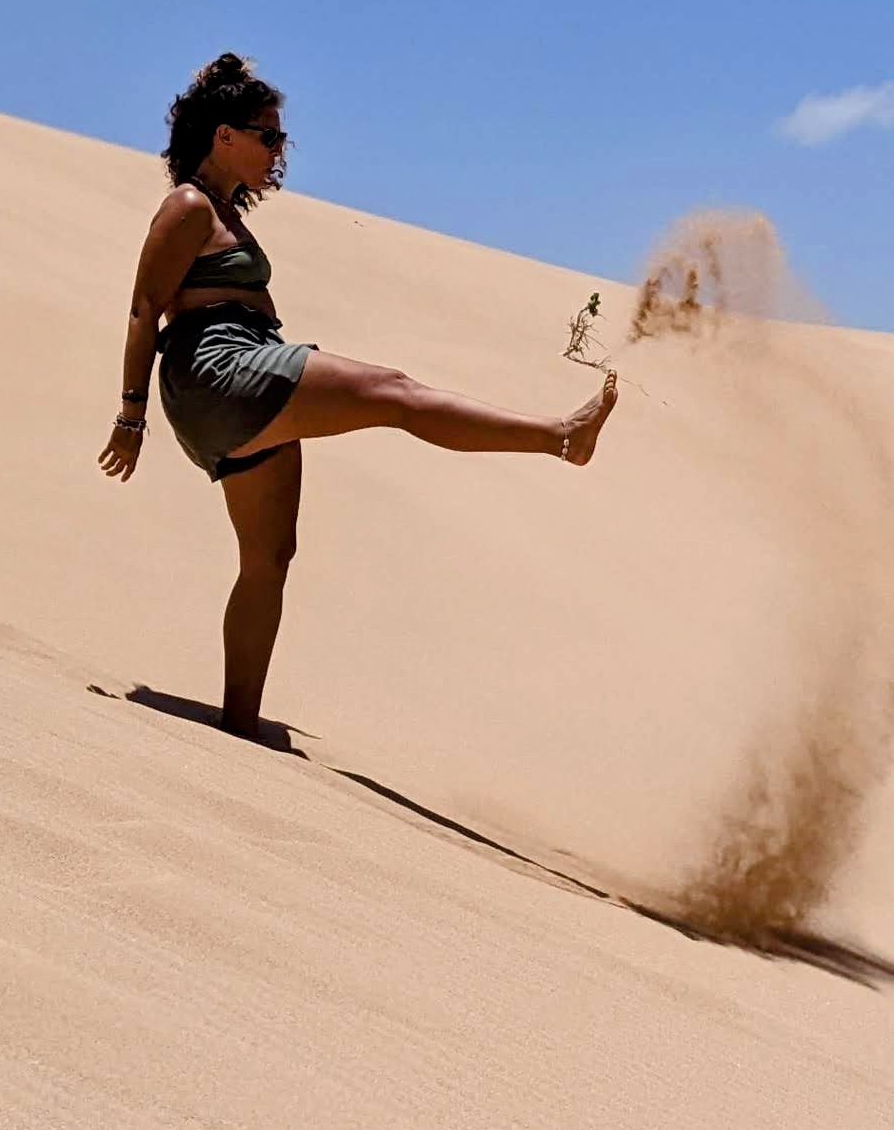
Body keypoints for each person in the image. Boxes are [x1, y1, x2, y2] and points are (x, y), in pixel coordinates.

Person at [96, 53, 618, 744]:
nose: (280, 151)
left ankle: (239, 730)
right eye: (269, 136)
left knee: (269, 559)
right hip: (219, 371)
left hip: (229, 387)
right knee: (395, 392)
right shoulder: (189, 207)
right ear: (224, 136)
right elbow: (143, 309)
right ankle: (560, 436)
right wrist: (129, 415)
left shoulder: (224, 211)